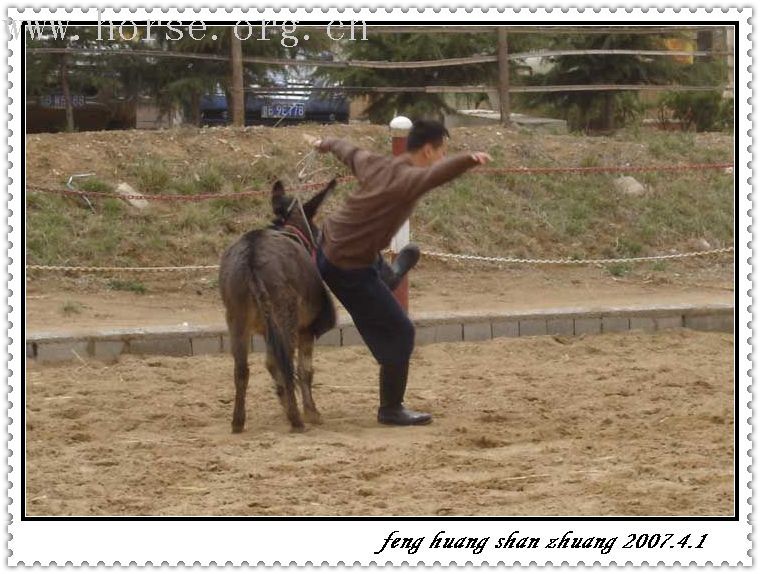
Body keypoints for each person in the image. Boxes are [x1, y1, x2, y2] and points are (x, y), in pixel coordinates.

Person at [309, 120, 492, 426]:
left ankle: (390, 276)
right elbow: (438, 175)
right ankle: (391, 409)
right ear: (428, 150)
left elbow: (348, 150)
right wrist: (468, 160)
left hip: (328, 248)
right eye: (443, 152)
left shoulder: (375, 164)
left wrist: (323, 142)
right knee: (401, 332)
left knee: (377, 270)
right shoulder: (409, 179)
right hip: (348, 267)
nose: (443, 158)